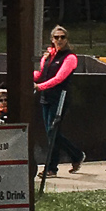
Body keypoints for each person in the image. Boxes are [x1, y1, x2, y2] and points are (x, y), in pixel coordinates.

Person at [34, 26, 83, 174]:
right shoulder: (48, 56)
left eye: (62, 37)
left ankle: (53, 166)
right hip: (46, 97)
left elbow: (59, 78)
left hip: (60, 97)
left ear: (66, 39)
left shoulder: (70, 58)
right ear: (52, 39)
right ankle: (75, 155)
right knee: (51, 132)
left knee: (52, 131)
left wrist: (40, 86)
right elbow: (42, 73)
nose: (59, 40)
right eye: (56, 37)